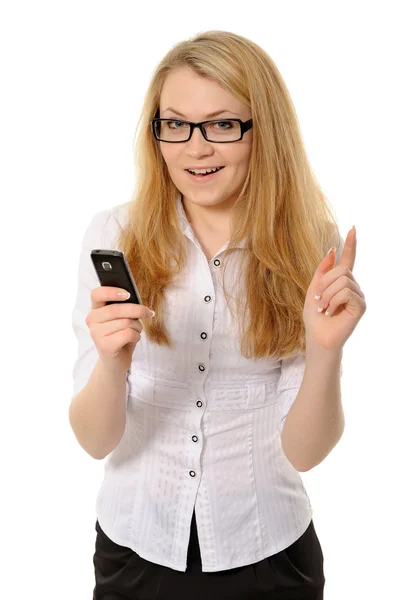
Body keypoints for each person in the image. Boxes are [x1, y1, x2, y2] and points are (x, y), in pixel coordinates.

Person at [69, 29, 361, 600]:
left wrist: (325, 351)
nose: (195, 148)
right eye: (175, 124)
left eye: (223, 125)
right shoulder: (115, 235)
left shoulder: (310, 246)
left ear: (263, 131)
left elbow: (306, 452)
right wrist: (111, 362)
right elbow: (94, 440)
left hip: (269, 556)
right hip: (135, 550)